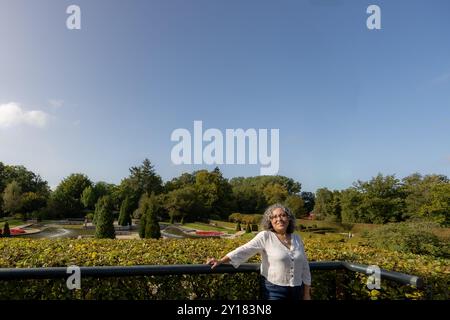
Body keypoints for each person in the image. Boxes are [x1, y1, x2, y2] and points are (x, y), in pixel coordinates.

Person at [206, 204, 312, 300]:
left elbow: (305, 267)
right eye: (274, 217)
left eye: (283, 215)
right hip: (274, 290)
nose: (279, 219)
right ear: (270, 221)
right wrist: (221, 260)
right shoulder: (265, 236)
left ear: (289, 219)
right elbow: (245, 249)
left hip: (297, 289)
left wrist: (306, 294)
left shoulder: (297, 238)